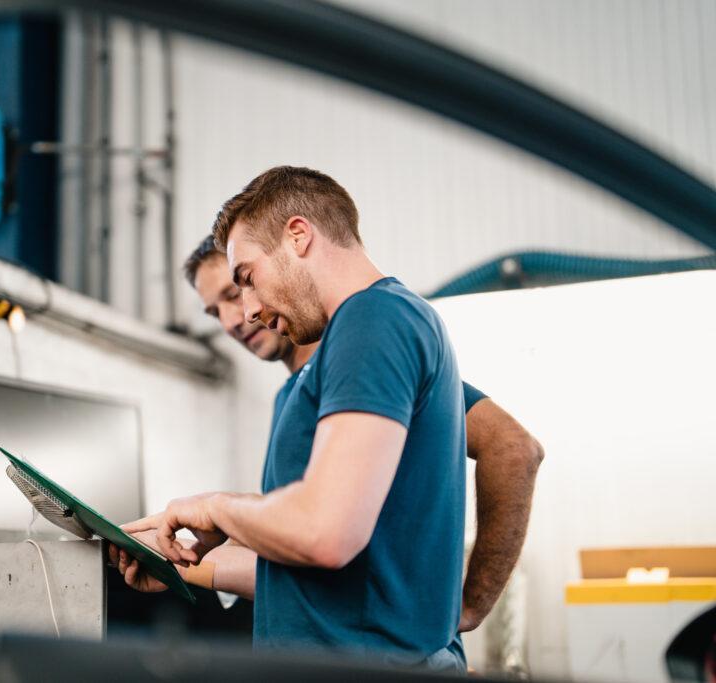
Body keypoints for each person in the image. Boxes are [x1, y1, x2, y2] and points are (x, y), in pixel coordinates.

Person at [112, 166, 542, 670]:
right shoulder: (350, 348)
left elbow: (324, 534)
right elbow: (317, 569)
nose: (244, 312)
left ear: (298, 235)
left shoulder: (373, 321)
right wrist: (181, 565)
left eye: (246, 280)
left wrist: (216, 506)